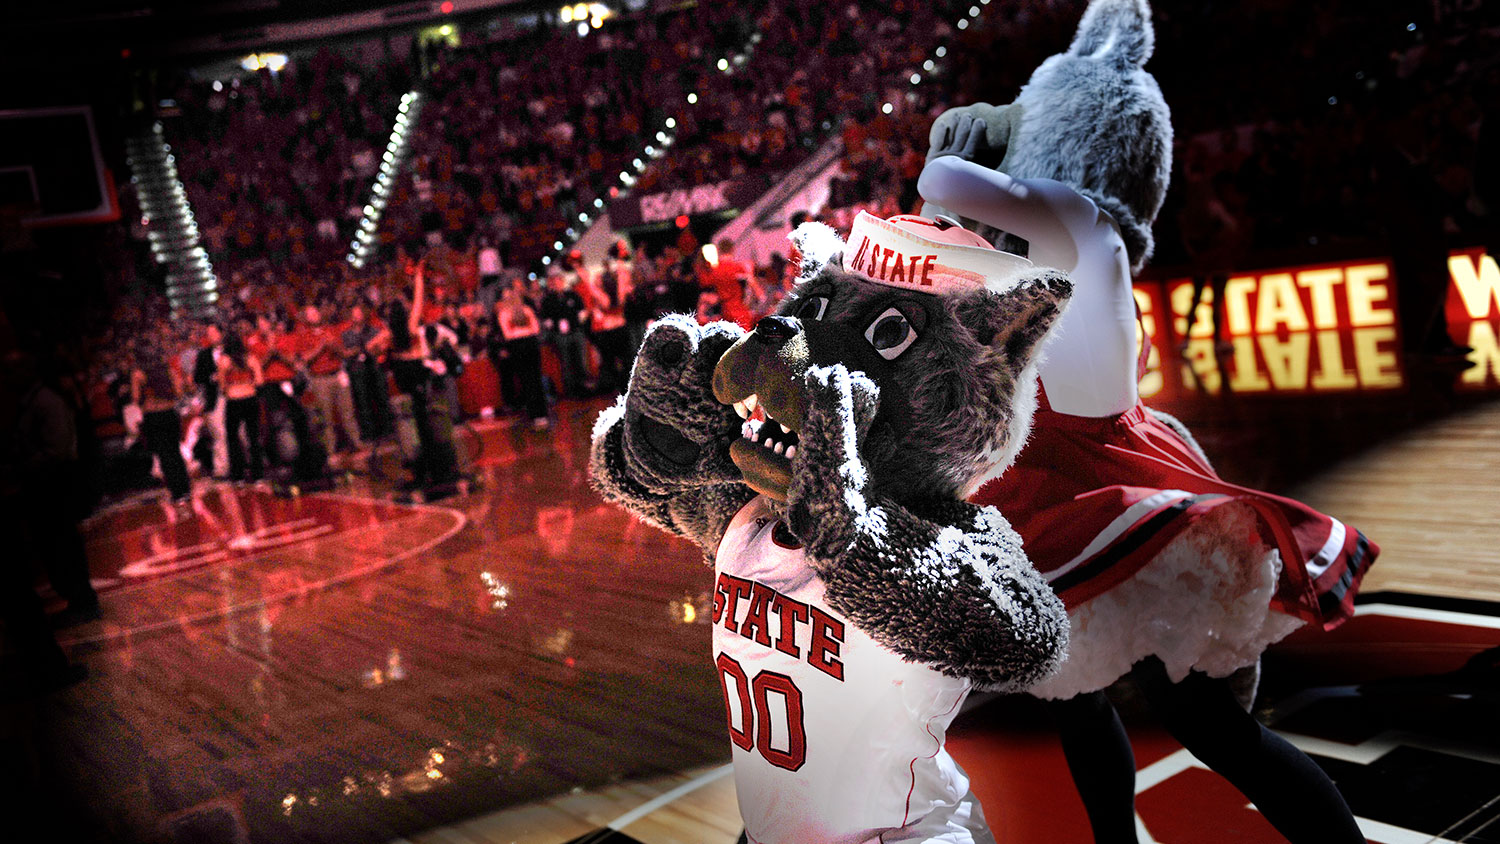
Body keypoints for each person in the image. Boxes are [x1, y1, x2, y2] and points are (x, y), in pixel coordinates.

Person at [921, 115, 1373, 844]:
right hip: (1043, 497)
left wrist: (959, 150)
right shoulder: (993, 269)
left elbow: (940, 185)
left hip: (1112, 493)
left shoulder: (1079, 232)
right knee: (1080, 704)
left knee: (1209, 726)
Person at [7, 349, 100, 629]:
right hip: (47, 483)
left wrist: (21, 466)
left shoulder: (45, 402)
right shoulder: (33, 401)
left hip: (54, 483)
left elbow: (58, 450)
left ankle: (83, 601)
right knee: (55, 547)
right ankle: (76, 600)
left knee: (63, 545)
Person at [381, 258, 460, 488]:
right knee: (430, 418)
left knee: (415, 420)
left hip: (402, 376)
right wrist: (417, 277)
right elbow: (418, 299)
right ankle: (439, 465)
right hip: (418, 372)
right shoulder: (411, 326)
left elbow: (374, 349)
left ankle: (422, 466)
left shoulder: (389, 336)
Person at [301, 303, 365, 459]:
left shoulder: (331, 329)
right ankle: (331, 451)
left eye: (315, 312)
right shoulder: (304, 335)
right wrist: (322, 346)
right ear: (306, 318)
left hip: (337, 374)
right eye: (310, 314)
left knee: (347, 412)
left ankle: (357, 444)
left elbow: (342, 353)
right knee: (326, 417)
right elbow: (305, 358)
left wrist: (333, 346)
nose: (314, 315)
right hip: (320, 379)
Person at [131, 340, 192, 502]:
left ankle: (176, 492)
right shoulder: (167, 370)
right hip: (170, 413)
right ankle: (185, 489)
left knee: (164, 455)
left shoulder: (138, 374)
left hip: (153, 416)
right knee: (175, 451)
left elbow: (136, 398)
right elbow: (179, 392)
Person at [496, 282, 550, 429]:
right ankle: (541, 413)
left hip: (518, 346)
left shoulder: (504, 314)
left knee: (528, 380)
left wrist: (518, 332)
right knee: (534, 379)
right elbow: (535, 329)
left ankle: (536, 414)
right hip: (530, 344)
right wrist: (525, 330)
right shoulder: (526, 310)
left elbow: (508, 334)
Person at [219, 330, 265, 483]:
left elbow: (222, 386)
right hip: (250, 398)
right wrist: (247, 384)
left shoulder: (224, 361)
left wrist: (233, 387)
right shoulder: (250, 358)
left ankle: (238, 476)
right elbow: (259, 381)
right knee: (253, 437)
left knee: (233, 439)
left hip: (233, 400)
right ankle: (258, 475)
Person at [538, 268, 591, 398]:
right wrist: (557, 326)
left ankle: (584, 384)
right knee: (566, 361)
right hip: (559, 334)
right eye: (554, 282)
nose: (557, 284)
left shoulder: (573, 295)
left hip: (575, 330)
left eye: (559, 281)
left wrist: (575, 323)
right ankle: (570, 389)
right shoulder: (547, 300)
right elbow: (546, 320)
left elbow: (582, 312)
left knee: (581, 358)